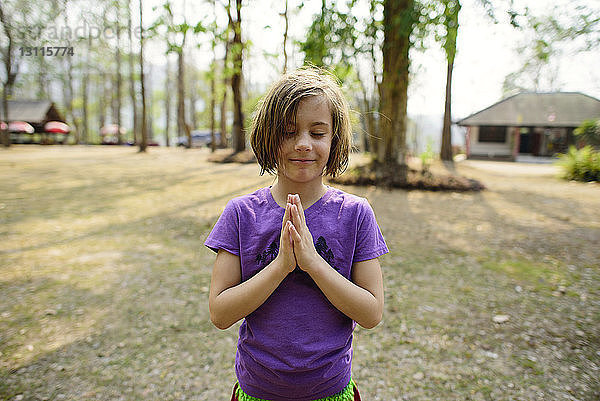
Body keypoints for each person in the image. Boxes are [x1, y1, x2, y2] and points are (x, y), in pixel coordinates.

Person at [205, 68, 388, 401]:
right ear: (268, 137)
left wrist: (313, 263)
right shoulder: (241, 214)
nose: (303, 144)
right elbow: (220, 313)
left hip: (332, 391)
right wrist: (281, 266)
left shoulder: (356, 214)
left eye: (318, 133)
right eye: (289, 132)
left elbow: (372, 313)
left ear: (335, 141)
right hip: (257, 392)